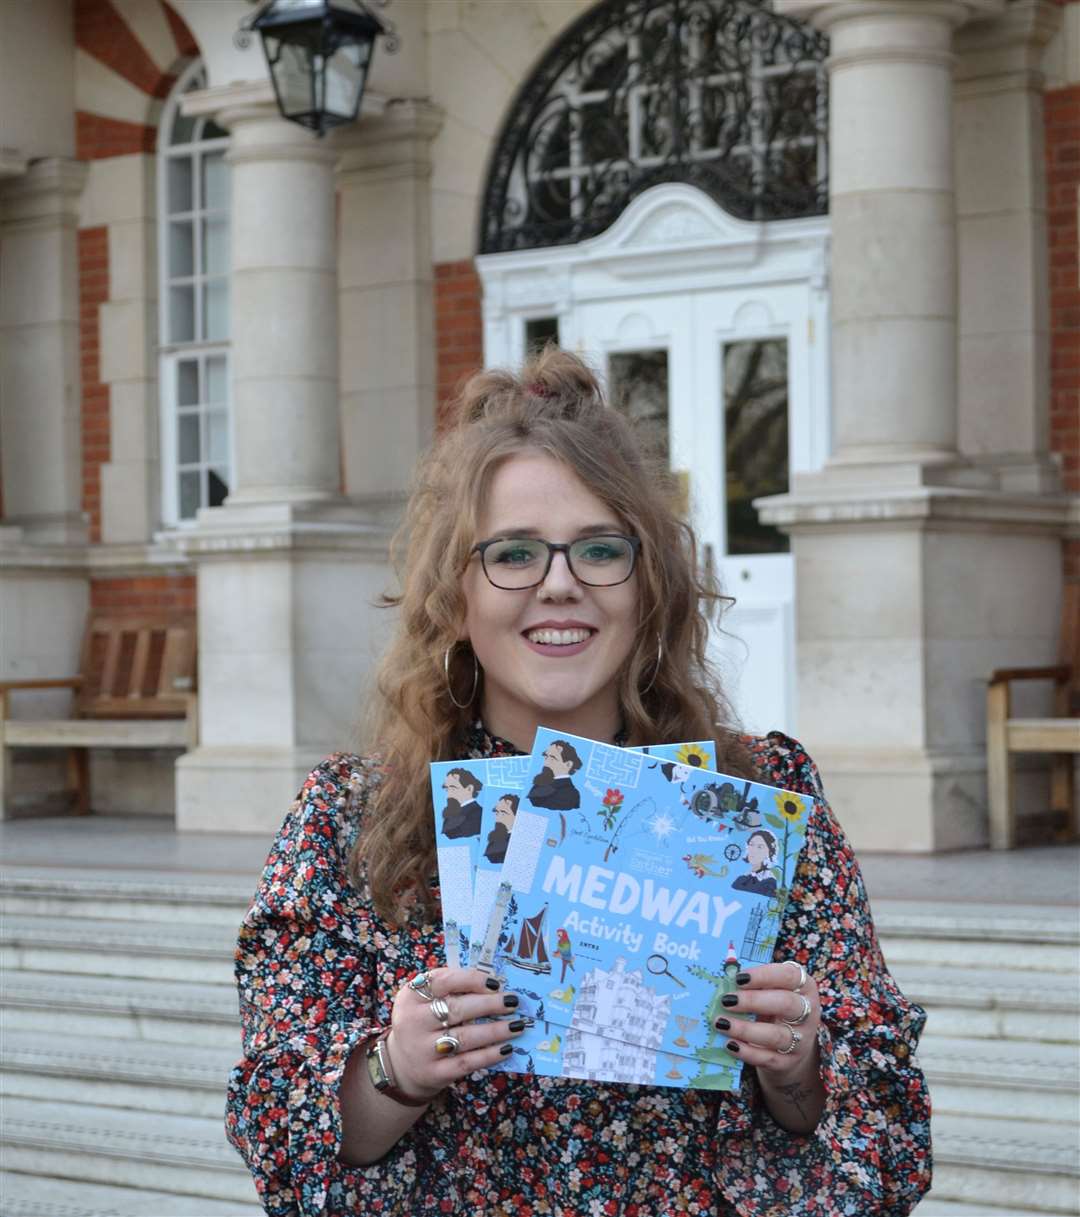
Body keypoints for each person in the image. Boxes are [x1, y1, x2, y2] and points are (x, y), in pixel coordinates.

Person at [225, 349, 932, 1217]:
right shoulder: (349, 820)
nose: (559, 584)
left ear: (650, 585)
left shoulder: (758, 798)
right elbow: (285, 1152)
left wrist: (798, 1067)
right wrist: (395, 1067)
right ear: (455, 595)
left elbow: (889, 1141)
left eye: (600, 549)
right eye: (514, 553)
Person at [732, 828, 780, 897]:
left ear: (770, 852)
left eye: (760, 847)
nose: (753, 850)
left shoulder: (770, 882)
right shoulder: (742, 878)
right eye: (751, 844)